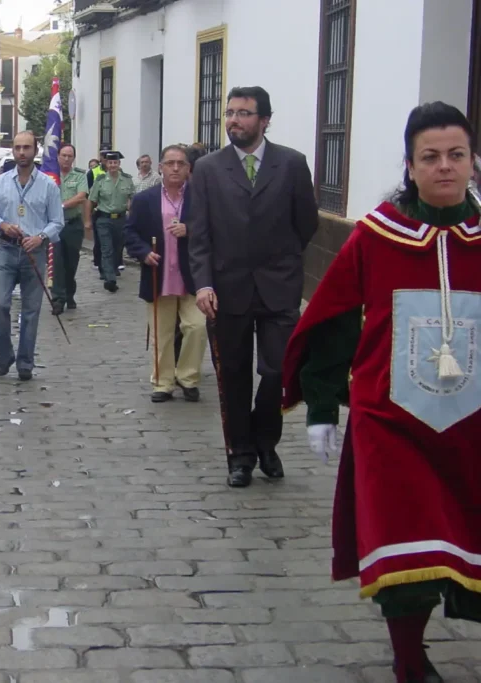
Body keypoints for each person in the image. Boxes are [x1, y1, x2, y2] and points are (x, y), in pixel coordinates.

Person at [282, 102, 481, 683]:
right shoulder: (375, 237)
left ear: (473, 163)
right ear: (411, 165)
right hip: (392, 422)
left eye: (456, 155)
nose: (444, 167)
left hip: (473, 424)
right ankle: (408, 658)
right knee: (406, 542)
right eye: (430, 157)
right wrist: (321, 406)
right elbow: (333, 319)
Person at [188, 85, 318, 488]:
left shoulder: (292, 164)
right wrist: (204, 283)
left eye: (244, 113)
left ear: (264, 120)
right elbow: (200, 234)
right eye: (230, 112)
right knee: (235, 374)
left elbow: (306, 223)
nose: (234, 120)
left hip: (279, 287)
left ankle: (266, 440)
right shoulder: (209, 169)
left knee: (280, 370)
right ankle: (240, 457)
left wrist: (282, 260)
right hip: (227, 290)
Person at [125, 144, 206, 403]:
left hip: (193, 276)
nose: (175, 168)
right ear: (160, 167)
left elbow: (215, 228)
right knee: (163, 332)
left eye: (180, 163)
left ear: (188, 168)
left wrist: (190, 230)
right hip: (159, 275)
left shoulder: (201, 197)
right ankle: (163, 383)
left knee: (197, 327)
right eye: (169, 163)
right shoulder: (144, 199)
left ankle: (188, 377)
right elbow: (130, 233)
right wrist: (143, 253)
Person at [0, 131, 64, 381]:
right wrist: (3, 226)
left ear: (35, 150)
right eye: (17, 147)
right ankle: (4, 355)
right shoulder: (1, 182)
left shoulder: (48, 185)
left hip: (34, 253)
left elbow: (57, 222)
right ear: (12, 150)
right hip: (6, 250)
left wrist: (40, 236)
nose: (21, 152)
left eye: (26, 147)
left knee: (31, 310)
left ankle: (25, 362)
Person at [87, 150, 134, 292]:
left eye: (115, 162)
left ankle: (109, 269)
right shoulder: (100, 180)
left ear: (119, 164)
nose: (113, 165)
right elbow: (91, 201)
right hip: (104, 218)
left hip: (121, 219)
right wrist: (88, 220)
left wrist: (132, 217)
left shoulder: (127, 179)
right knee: (106, 248)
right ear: (106, 164)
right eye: (110, 162)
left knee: (117, 248)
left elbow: (131, 199)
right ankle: (110, 279)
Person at [52, 143, 88, 314]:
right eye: (63, 155)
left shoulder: (80, 176)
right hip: (54, 226)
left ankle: (69, 293)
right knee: (57, 262)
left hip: (73, 224)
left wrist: (61, 205)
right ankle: (58, 299)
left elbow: (81, 196)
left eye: (70, 156)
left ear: (73, 158)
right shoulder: (50, 176)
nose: (66, 159)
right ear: (58, 156)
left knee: (71, 263)